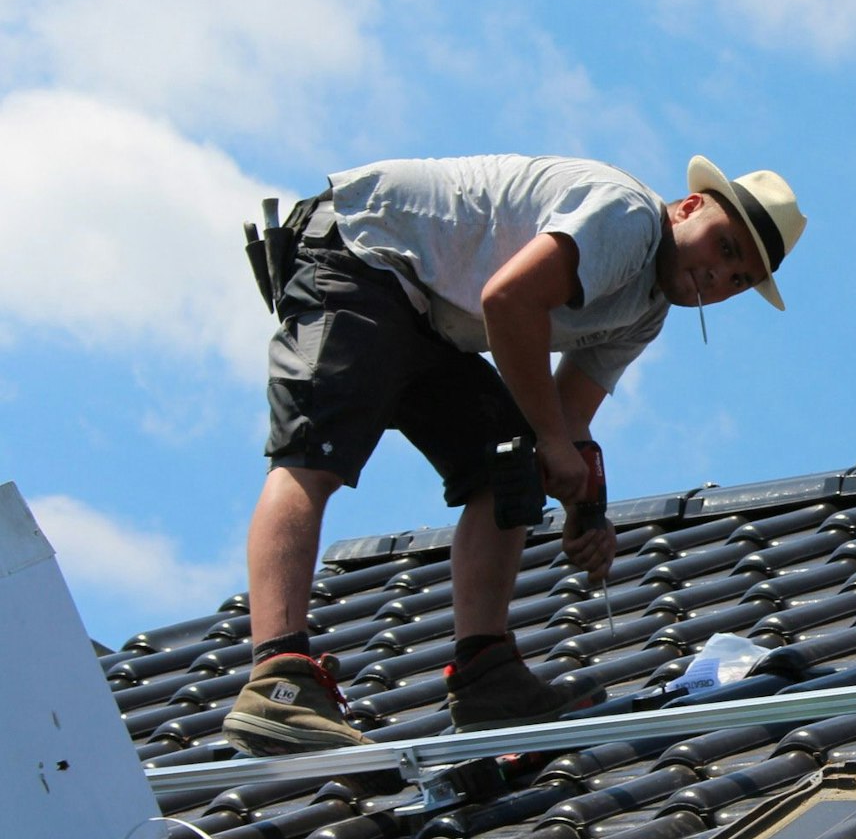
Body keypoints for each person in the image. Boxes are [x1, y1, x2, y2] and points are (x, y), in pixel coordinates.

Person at [221, 154, 806, 756]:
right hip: (363, 253)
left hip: (431, 315)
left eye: (740, 278)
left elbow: (564, 418)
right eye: (726, 247)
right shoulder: (628, 219)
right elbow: (508, 301)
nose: (720, 275)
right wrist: (554, 444)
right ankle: (278, 677)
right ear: (688, 208)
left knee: (510, 466)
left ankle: (485, 675)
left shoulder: (645, 312)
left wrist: (588, 512)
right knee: (314, 454)